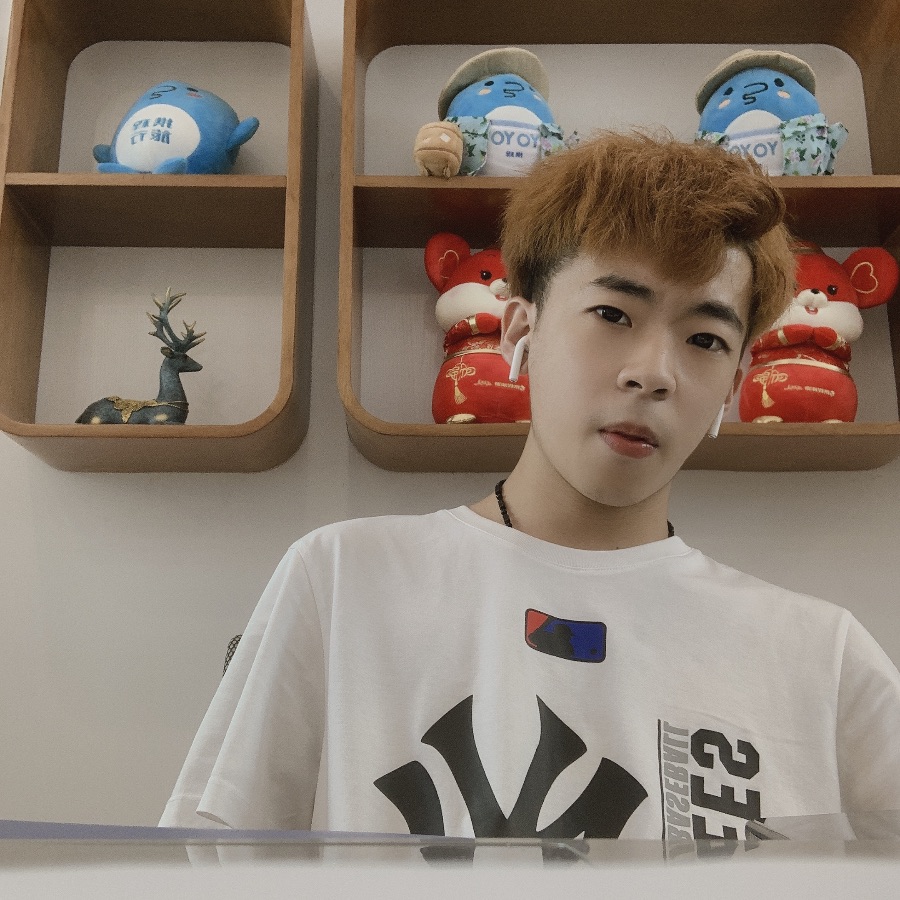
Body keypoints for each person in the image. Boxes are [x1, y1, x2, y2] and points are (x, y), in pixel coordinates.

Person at [160, 131, 900, 841]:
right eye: (612, 314)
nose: (652, 373)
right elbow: (211, 863)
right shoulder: (345, 581)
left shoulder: (822, 657)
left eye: (705, 339)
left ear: (735, 385)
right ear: (518, 330)